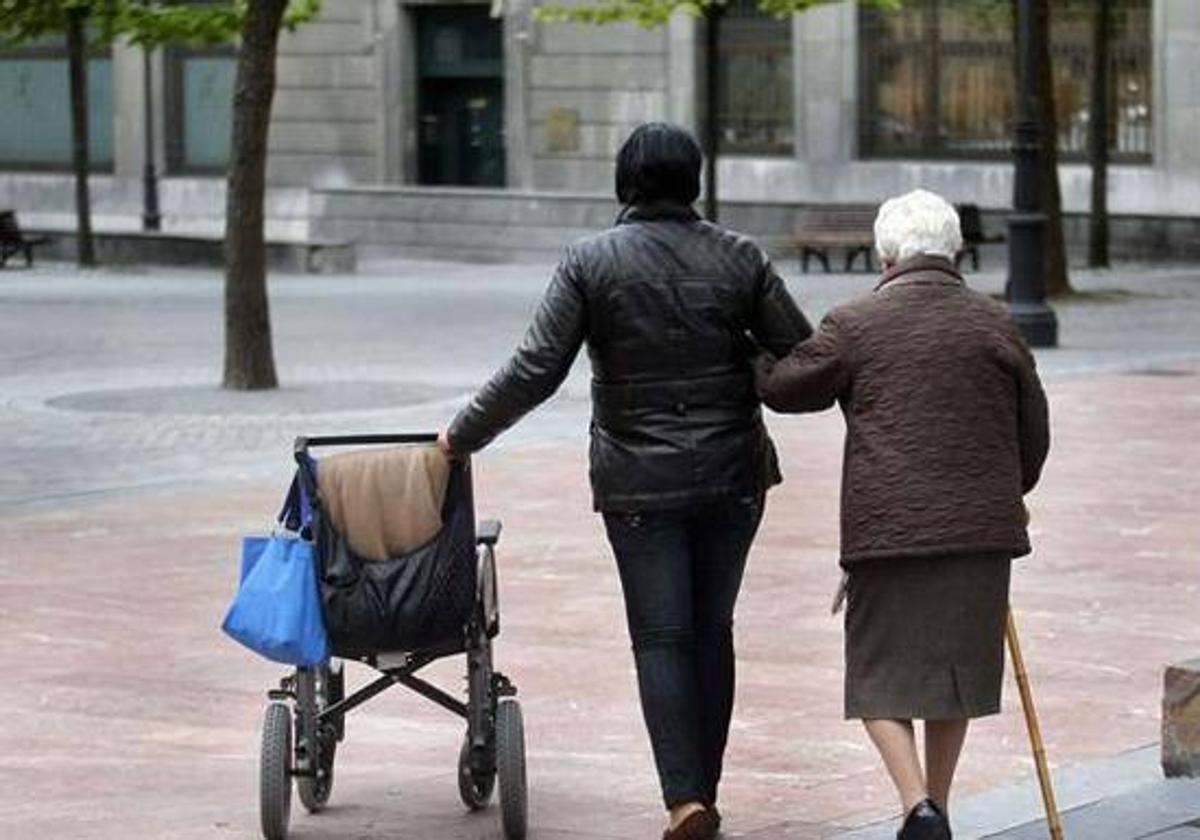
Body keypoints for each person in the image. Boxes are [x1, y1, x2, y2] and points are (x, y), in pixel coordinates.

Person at [438, 122, 811, 840]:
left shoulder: (590, 261)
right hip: (734, 475)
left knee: (662, 636)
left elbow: (533, 371)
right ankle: (705, 788)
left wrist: (461, 435)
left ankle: (684, 800)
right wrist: (747, 358)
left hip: (638, 480)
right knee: (713, 632)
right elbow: (804, 358)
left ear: (625, 181)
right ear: (694, 180)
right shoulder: (741, 258)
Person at [755, 189, 1050, 840]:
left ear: (886, 256)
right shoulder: (996, 322)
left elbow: (784, 389)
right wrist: (1003, 490)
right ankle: (934, 808)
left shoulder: (855, 324)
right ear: (957, 253)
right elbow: (1034, 433)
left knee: (877, 677)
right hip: (980, 534)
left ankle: (917, 804)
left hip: (886, 532)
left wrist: (748, 347)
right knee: (956, 674)